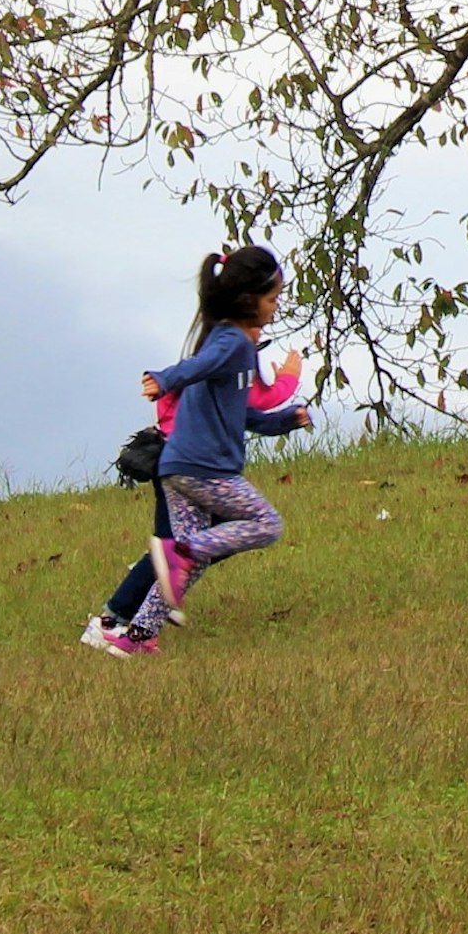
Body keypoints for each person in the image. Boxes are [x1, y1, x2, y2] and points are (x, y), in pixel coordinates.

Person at [83, 246, 312, 658]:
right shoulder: (232, 345)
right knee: (267, 524)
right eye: (273, 299)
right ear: (248, 301)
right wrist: (164, 378)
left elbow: (241, 412)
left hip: (178, 467)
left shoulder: (229, 346)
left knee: (189, 563)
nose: (275, 310)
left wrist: (285, 420)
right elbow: (197, 366)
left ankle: (135, 638)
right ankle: (181, 551)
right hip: (204, 470)